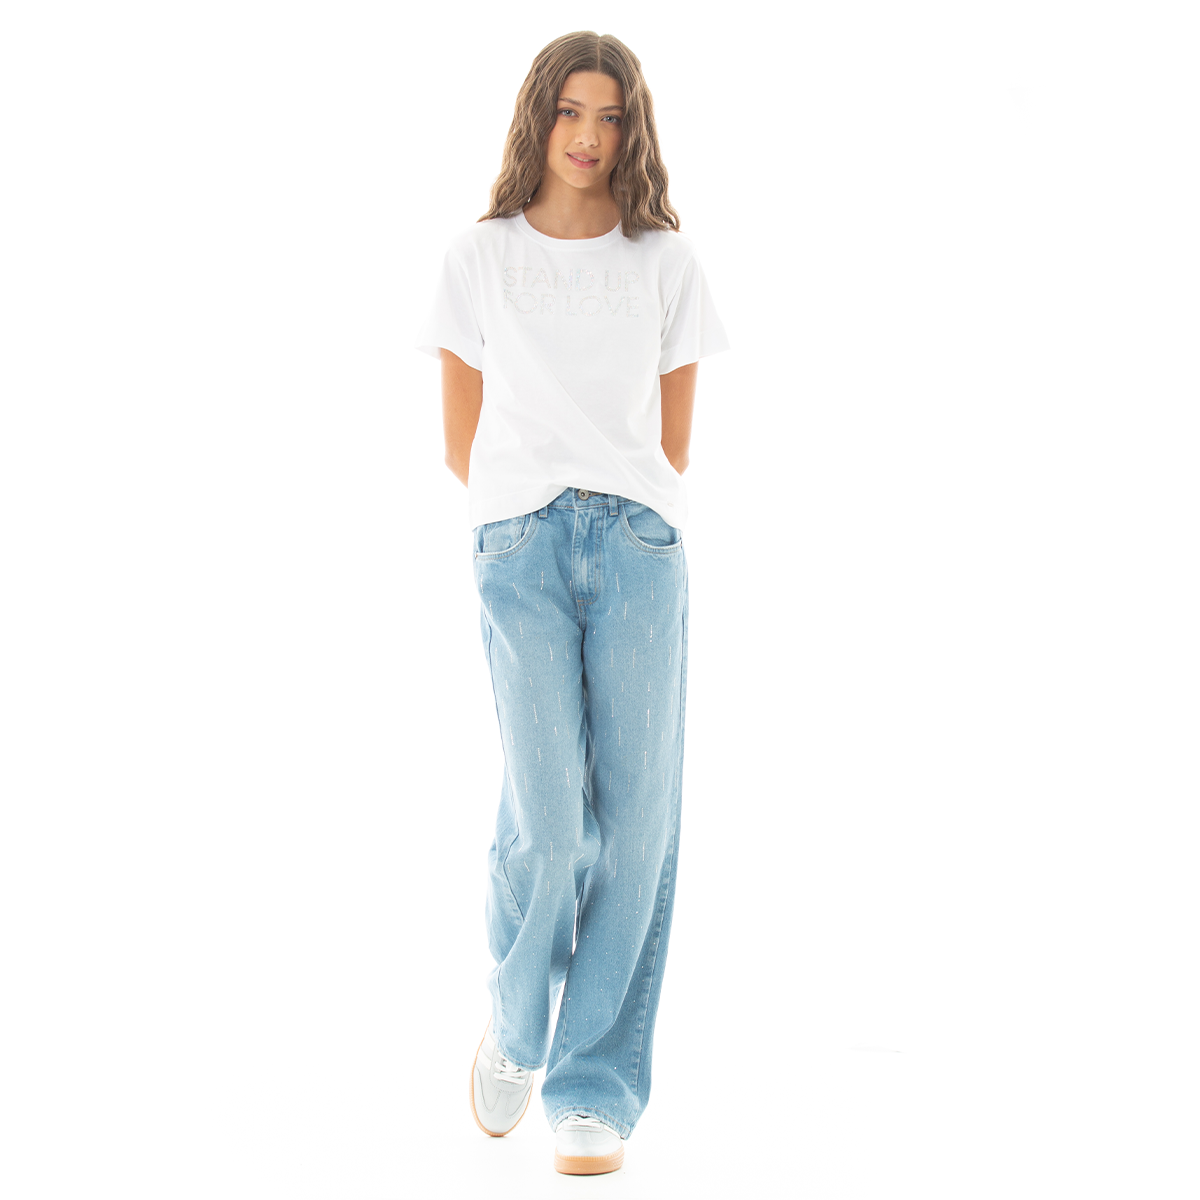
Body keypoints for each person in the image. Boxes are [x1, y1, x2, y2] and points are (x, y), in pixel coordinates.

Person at [415, 30, 730, 1177]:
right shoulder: (479, 256)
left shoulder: (666, 263)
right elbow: (460, 440)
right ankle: (516, 1022)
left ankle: (593, 1086)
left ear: (630, 130)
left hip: (640, 547)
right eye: (570, 112)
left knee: (638, 826)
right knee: (549, 822)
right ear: (537, 115)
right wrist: (528, 510)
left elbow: (674, 441)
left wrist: (611, 502)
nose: (589, 136)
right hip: (521, 543)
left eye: (610, 116)